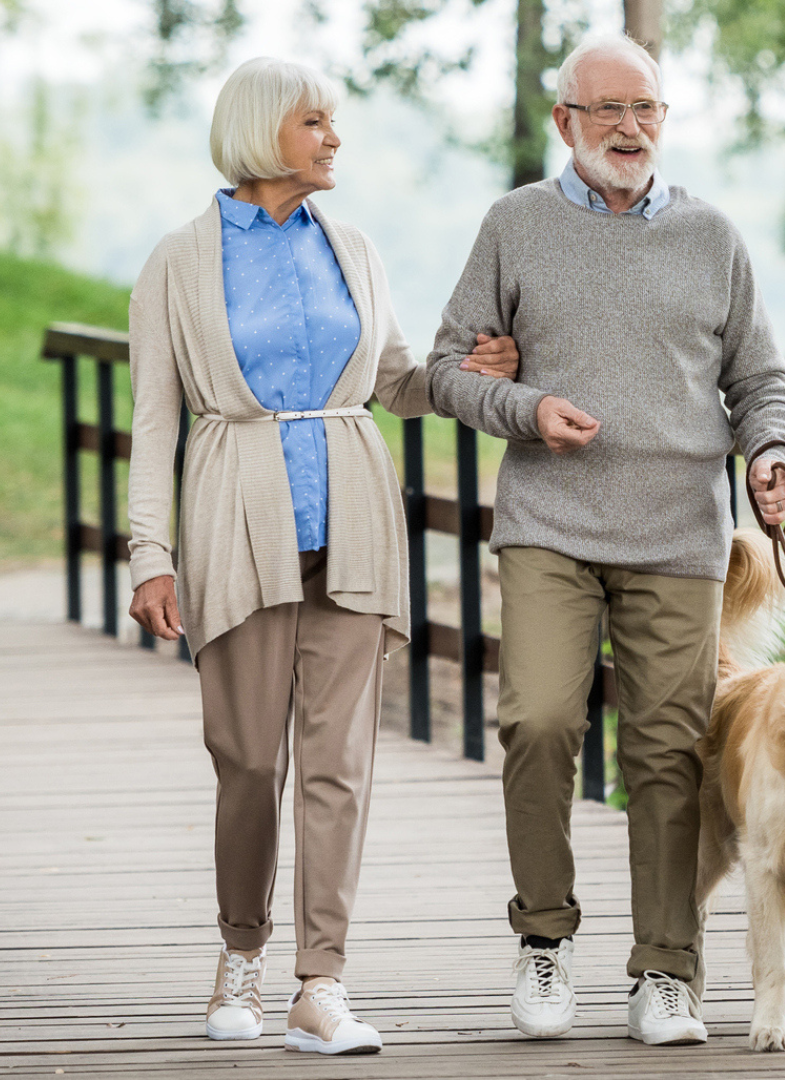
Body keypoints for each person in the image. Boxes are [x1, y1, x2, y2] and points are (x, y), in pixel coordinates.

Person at [126, 56, 518, 1056]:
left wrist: (465, 373)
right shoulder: (179, 260)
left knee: (339, 765)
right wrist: (149, 553)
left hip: (353, 518)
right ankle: (241, 955)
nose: (334, 138)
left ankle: (320, 984)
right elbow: (156, 422)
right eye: (316, 122)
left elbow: (392, 379)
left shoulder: (354, 246)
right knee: (248, 761)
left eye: (333, 123)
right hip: (235, 525)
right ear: (265, 133)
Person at [427, 34, 785, 1047]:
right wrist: (528, 405)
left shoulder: (713, 237)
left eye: (647, 109)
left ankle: (667, 972)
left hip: (680, 532)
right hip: (550, 522)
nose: (630, 129)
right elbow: (449, 370)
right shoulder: (514, 224)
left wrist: (772, 451)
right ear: (565, 123)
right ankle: (544, 942)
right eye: (608, 112)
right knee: (541, 723)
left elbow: (761, 381)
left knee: (668, 751)